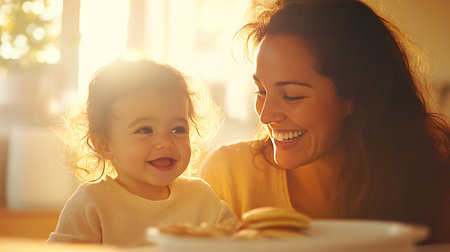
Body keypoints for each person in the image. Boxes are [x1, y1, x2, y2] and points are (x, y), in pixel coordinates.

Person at [200, 0, 450, 244]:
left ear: (355, 96)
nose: (265, 116)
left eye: (292, 96)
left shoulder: (431, 181)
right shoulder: (229, 175)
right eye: (261, 91)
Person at [47, 58, 237, 247]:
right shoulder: (91, 202)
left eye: (178, 129)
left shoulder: (201, 197)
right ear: (104, 143)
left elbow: (239, 244)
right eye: (145, 130)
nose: (165, 142)